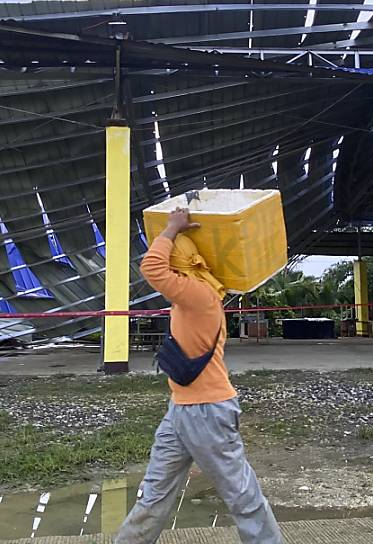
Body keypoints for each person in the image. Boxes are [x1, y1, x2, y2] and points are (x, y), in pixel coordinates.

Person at [114, 207, 283, 544]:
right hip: (182, 409)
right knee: (154, 493)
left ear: (183, 263)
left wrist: (172, 229)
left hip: (207, 410)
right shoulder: (195, 293)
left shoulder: (198, 295)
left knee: (241, 495)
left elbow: (151, 266)